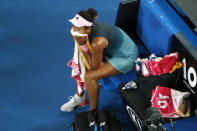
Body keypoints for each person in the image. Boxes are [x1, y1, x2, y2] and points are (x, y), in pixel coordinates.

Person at [60, 8, 139, 112]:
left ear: (88, 29)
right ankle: (80, 98)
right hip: (110, 50)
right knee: (78, 64)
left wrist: (83, 45)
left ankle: (93, 112)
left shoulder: (98, 42)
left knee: (89, 77)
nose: (74, 29)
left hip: (126, 57)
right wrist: (83, 49)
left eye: (78, 28)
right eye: (73, 25)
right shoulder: (88, 30)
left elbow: (93, 67)